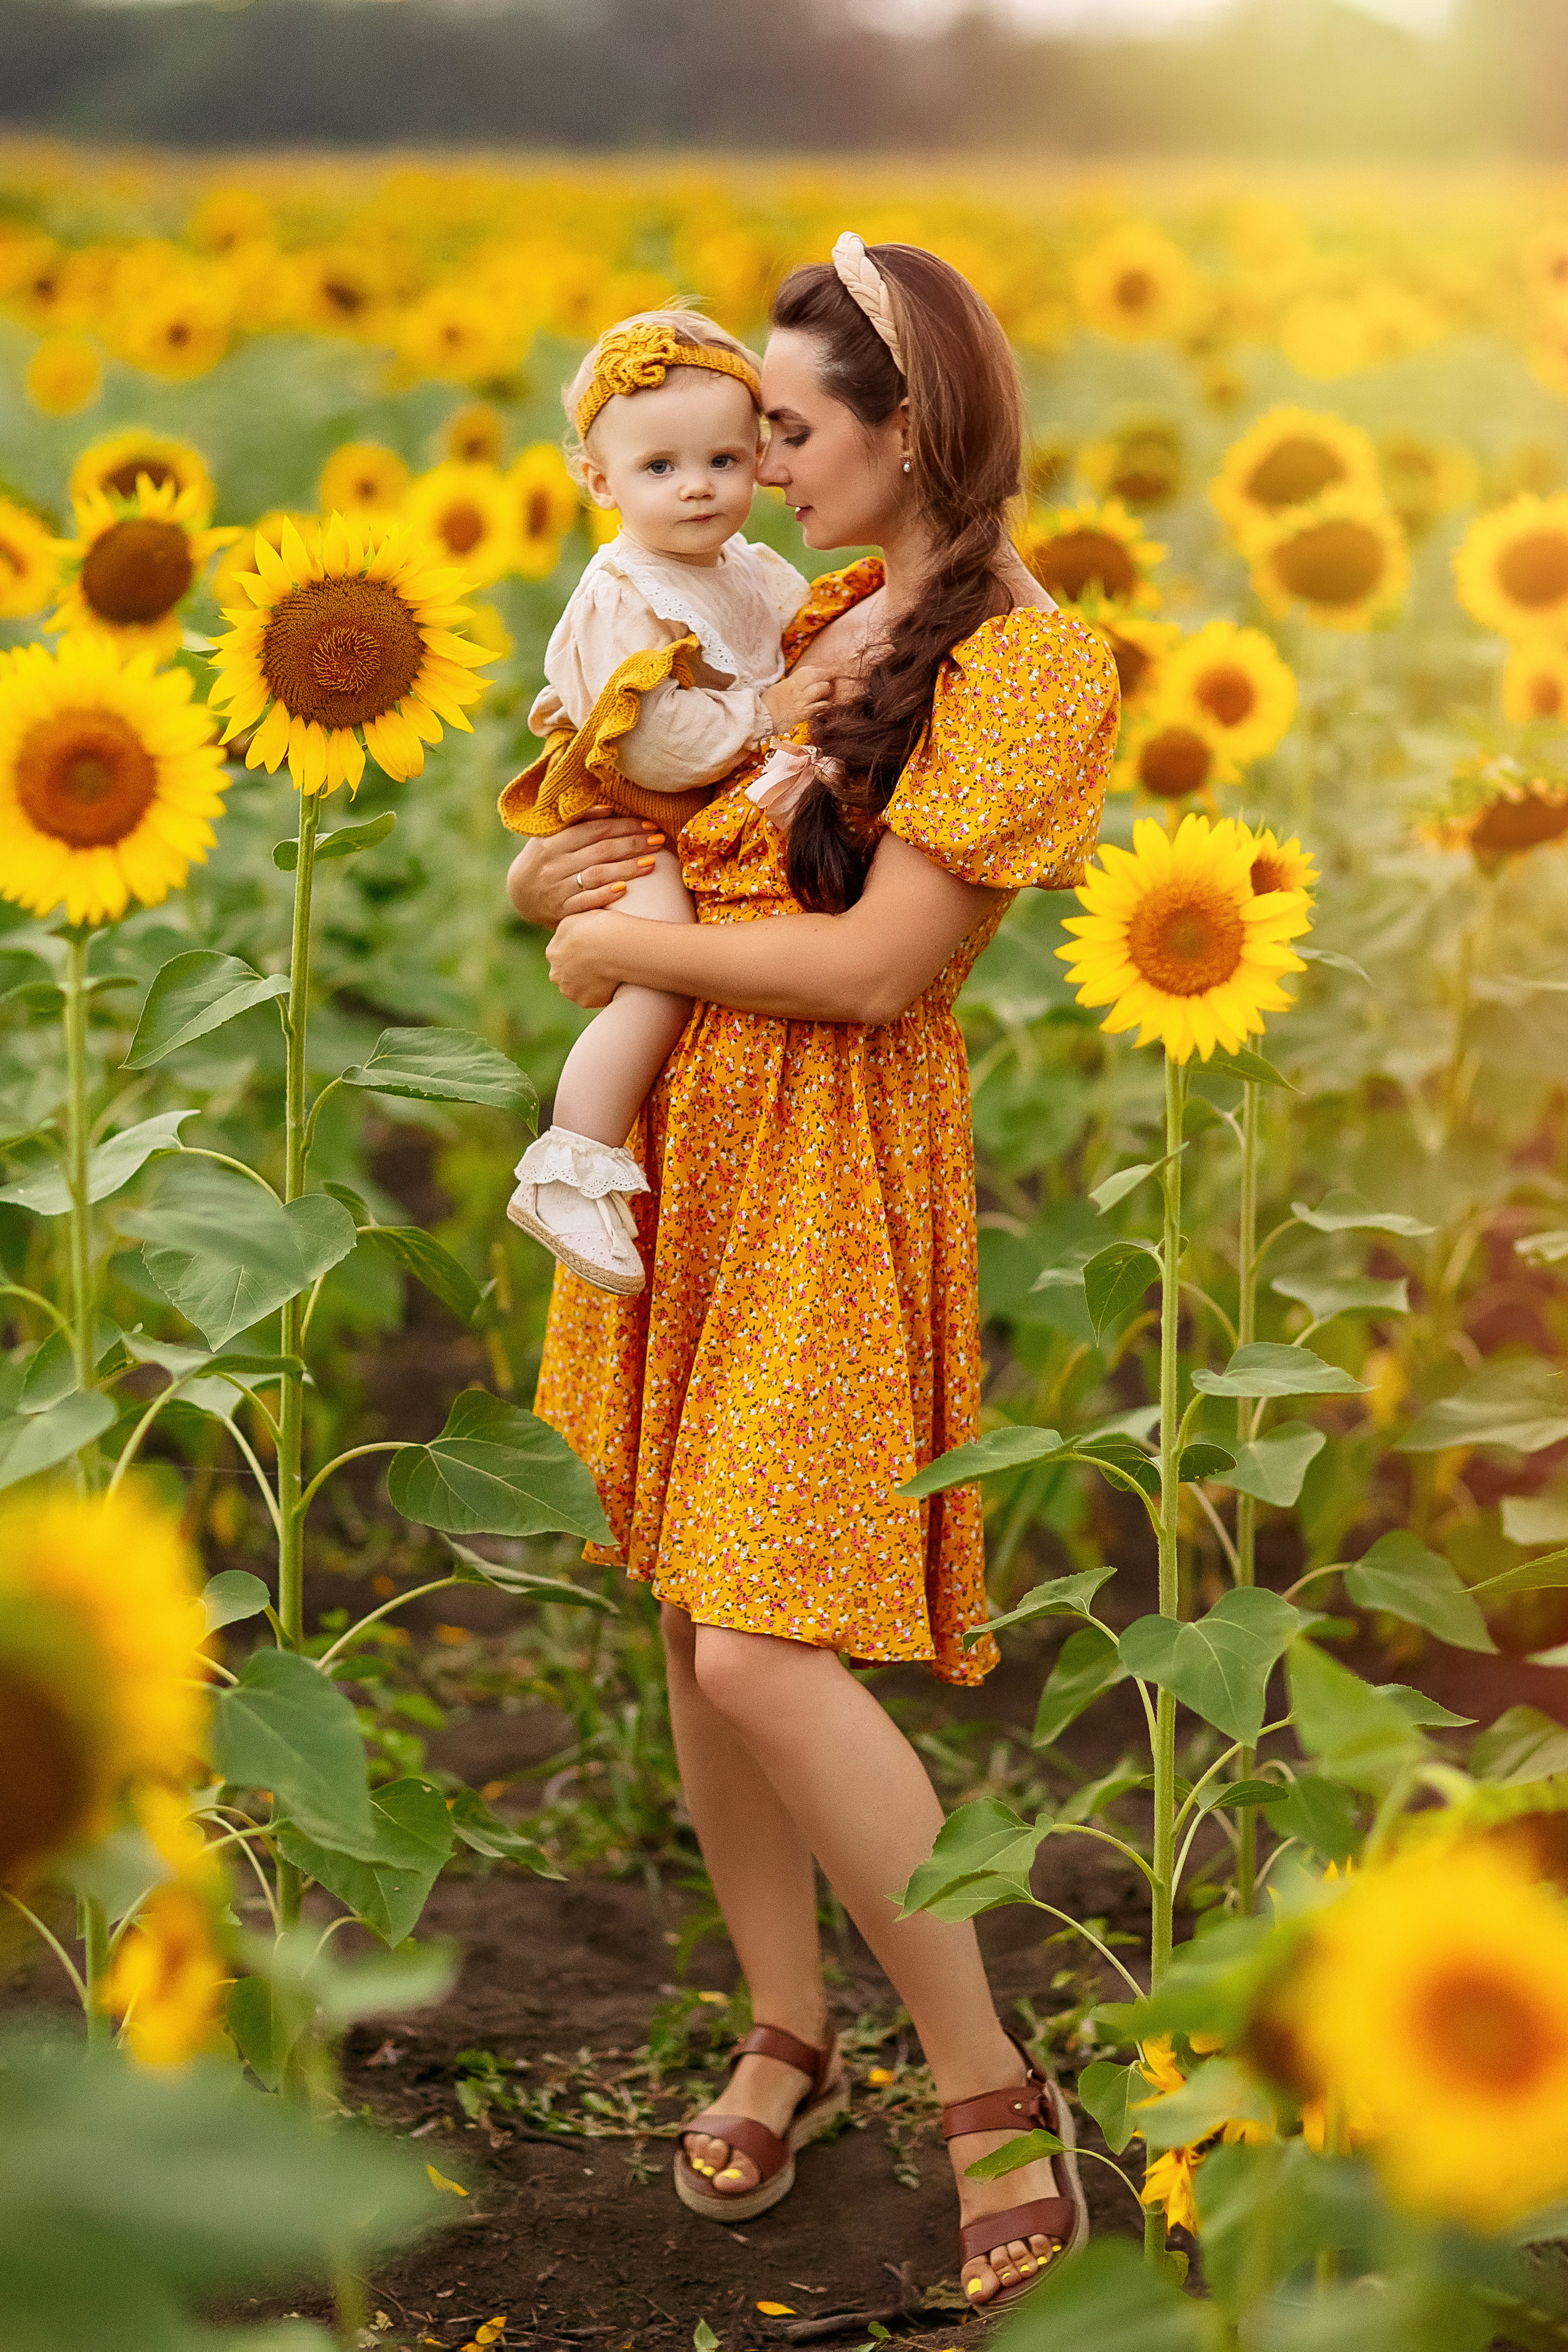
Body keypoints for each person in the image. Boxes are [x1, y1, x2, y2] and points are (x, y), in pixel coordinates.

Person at [505, 235, 1118, 2312]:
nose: (756, 468)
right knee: (702, 1625)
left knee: (773, 1644)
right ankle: (794, 2026)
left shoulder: (1034, 667)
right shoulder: (831, 609)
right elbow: (675, 836)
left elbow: (875, 967)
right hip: (700, 1143)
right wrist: (557, 877)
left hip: (835, 1159)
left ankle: (982, 2083)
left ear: (908, 428)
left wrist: (621, 955)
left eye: (787, 428)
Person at [500, 307, 827, 1295]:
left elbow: (792, 648)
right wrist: (770, 712)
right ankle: (570, 1164)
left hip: (686, 818)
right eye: (659, 469)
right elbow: (655, 740)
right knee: (657, 981)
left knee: (668, 974)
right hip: (633, 817)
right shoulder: (624, 594)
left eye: (725, 459)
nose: (698, 486)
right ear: (599, 482)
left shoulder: (749, 572)